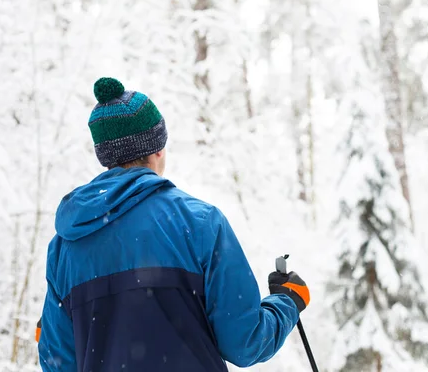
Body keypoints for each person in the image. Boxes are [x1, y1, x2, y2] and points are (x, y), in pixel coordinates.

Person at [37, 77, 310, 371]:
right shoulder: (201, 223)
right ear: (158, 148)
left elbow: (58, 363)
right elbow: (245, 343)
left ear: (105, 157)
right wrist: (287, 301)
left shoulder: (65, 246)